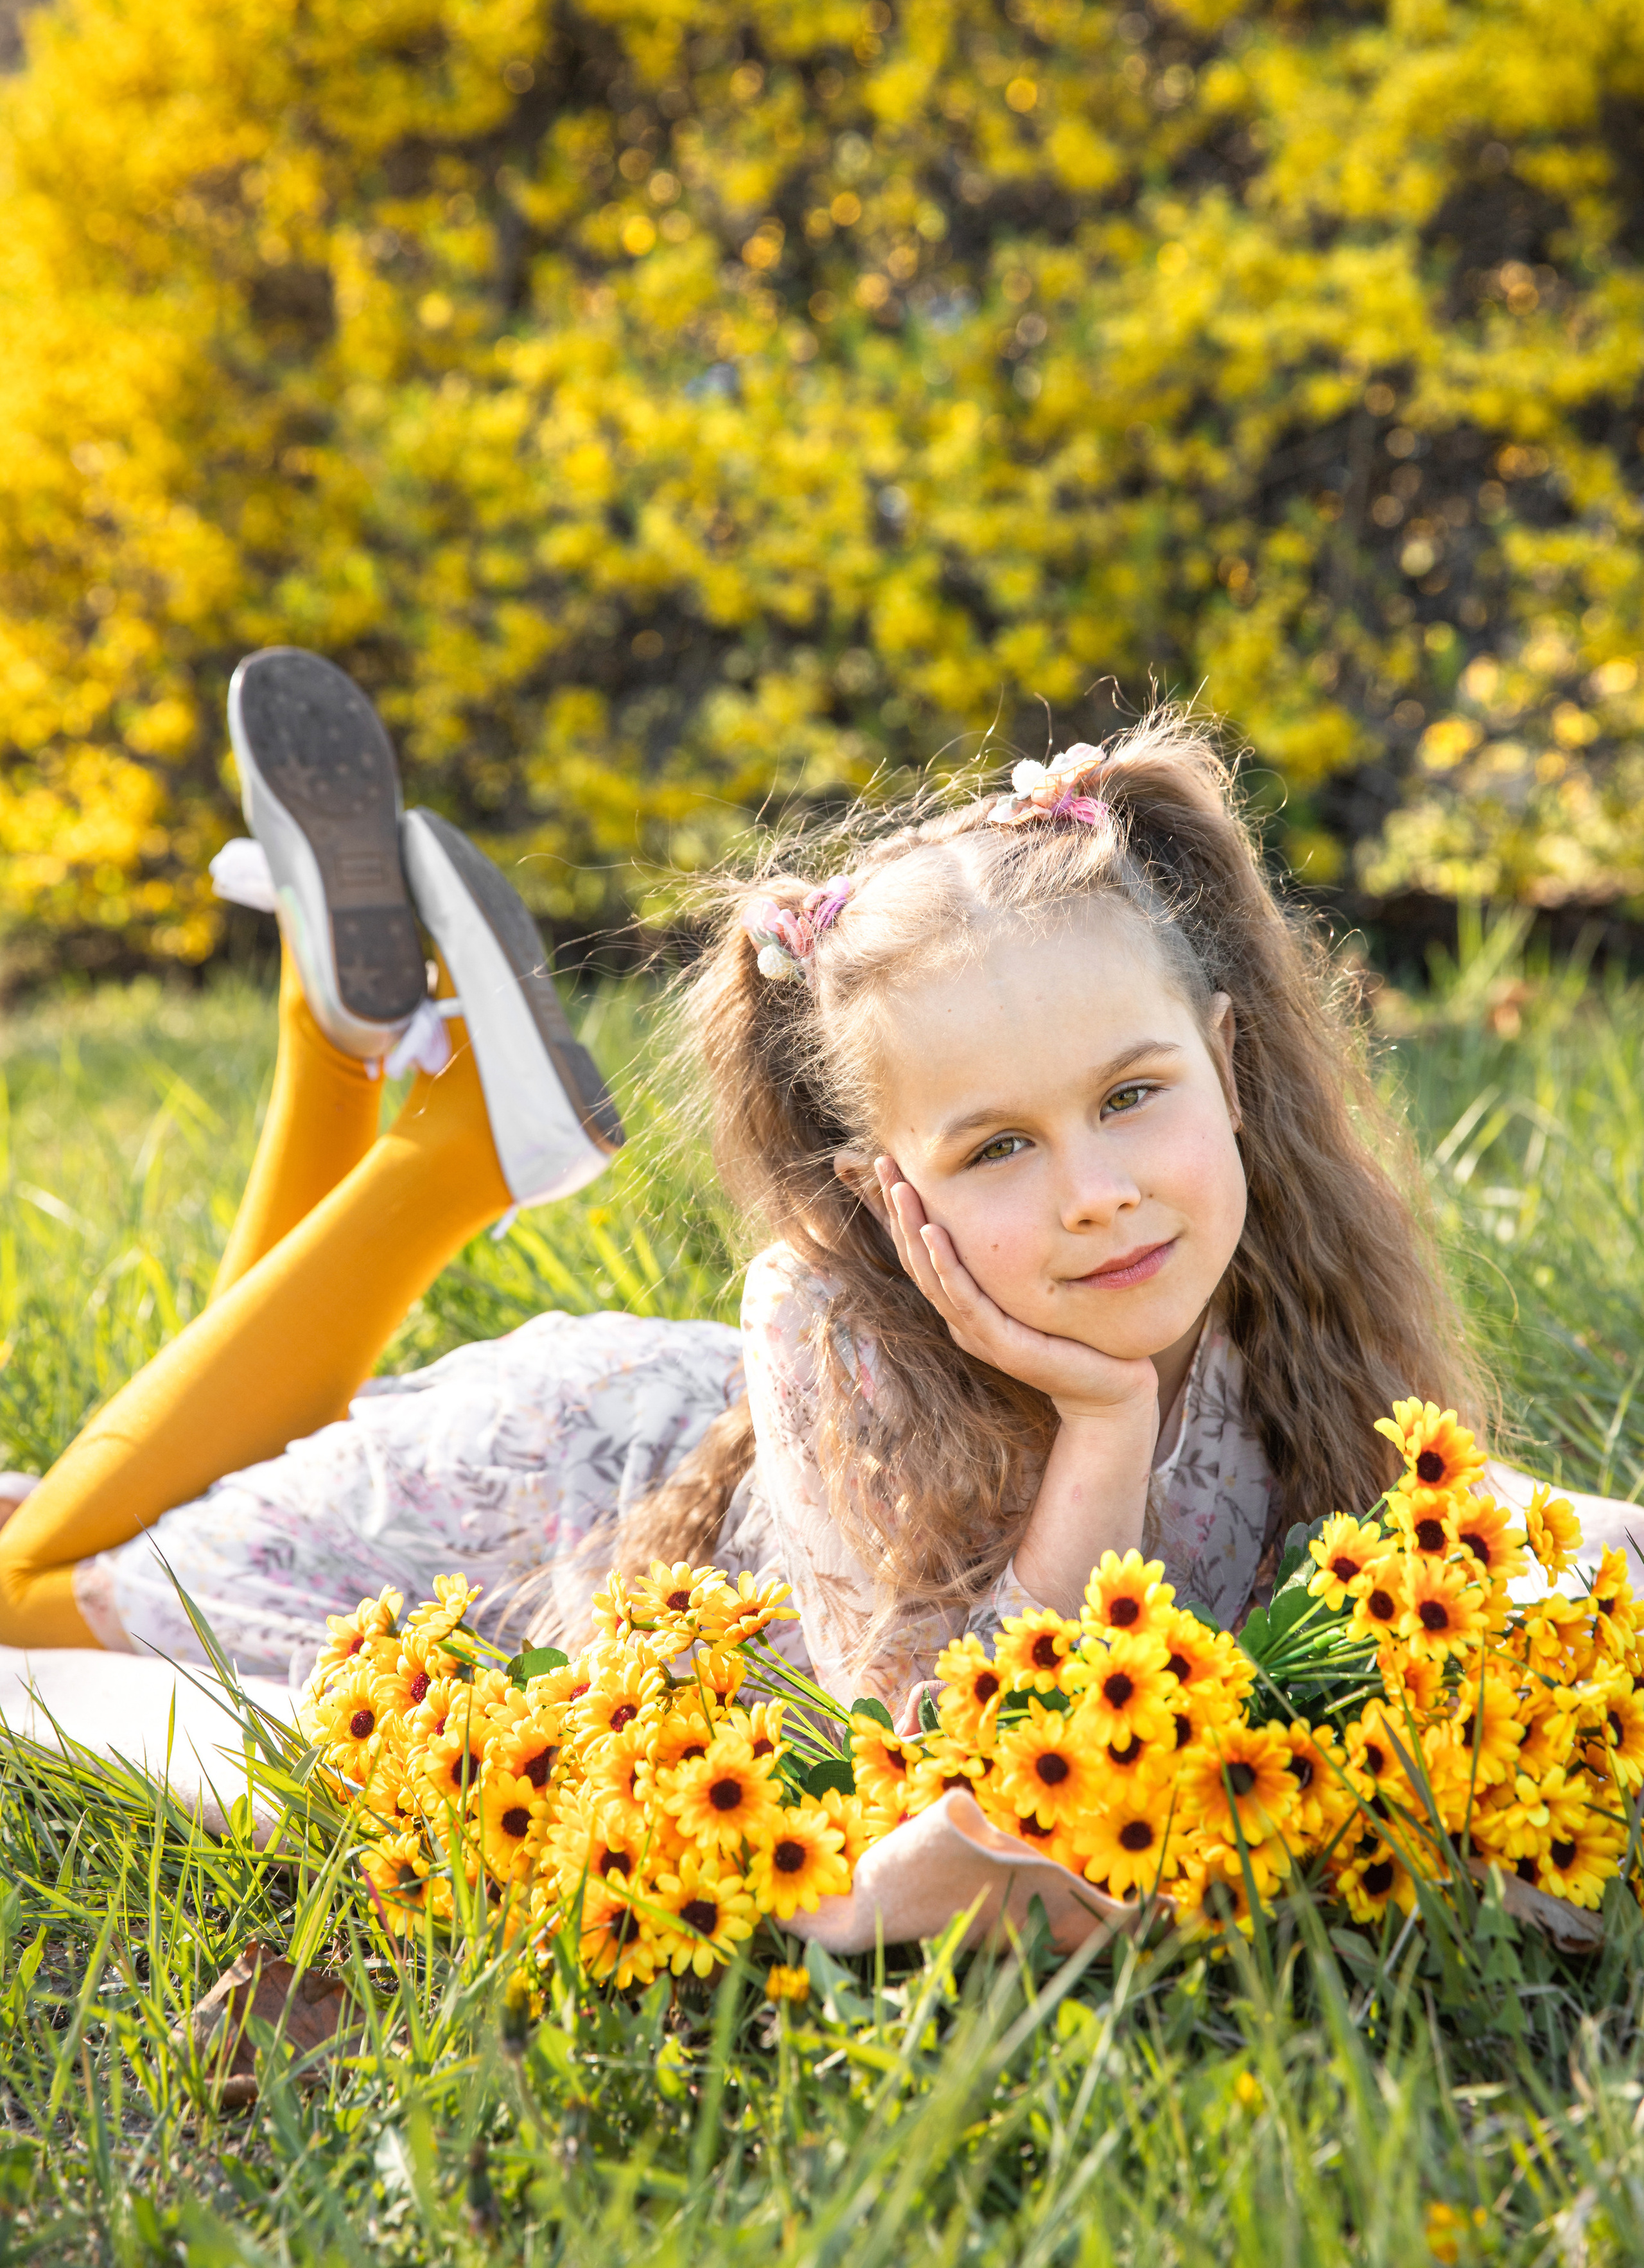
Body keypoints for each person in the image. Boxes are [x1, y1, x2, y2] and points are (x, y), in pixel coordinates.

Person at [0, 656, 1629, 1712]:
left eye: (1130, 1097)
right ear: (874, 1193)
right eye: (994, 1145)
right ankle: (445, 1159)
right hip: (495, 1503)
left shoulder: (1287, 1277)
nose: (1093, 1192)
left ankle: (332, 1032)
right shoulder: (831, 1315)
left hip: (621, 1430)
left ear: (1221, 1055)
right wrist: (1100, 1427)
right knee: (26, 1601)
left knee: (130, 1496)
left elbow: (1436, 1555)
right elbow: (962, 1747)